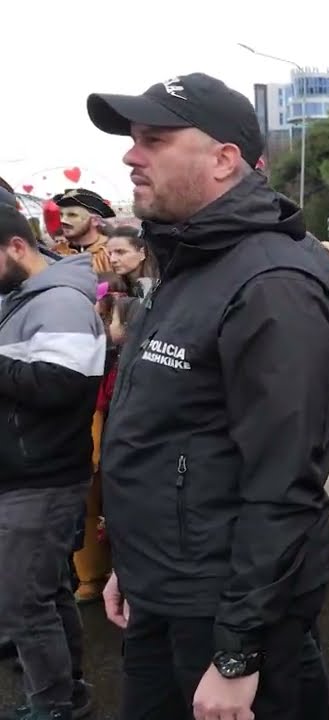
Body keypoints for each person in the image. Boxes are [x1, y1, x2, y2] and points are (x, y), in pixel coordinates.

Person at [86, 72, 329, 720]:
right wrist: (134, 567)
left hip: (225, 620)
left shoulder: (271, 283)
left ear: (224, 159)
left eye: (154, 139)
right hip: (165, 595)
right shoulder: (190, 260)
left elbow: (286, 485)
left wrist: (237, 652)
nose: (130, 155)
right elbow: (172, 435)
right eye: (133, 138)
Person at [0, 206, 104, 720]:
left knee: (22, 602)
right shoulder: (21, 296)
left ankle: (53, 705)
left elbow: (61, 385)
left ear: (17, 247)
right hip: (27, 469)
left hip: (41, 474)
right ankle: (68, 692)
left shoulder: (60, 302)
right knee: (46, 591)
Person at [50, 189, 115, 274]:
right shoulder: (55, 252)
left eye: (72, 215)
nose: (63, 220)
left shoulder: (112, 252)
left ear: (95, 220)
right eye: (61, 214)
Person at [103, 226, 157, 298]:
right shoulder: (108, 287)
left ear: (142, 253)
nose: (112, 259)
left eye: (120, 252)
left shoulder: (160, 288)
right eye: (110, 254)